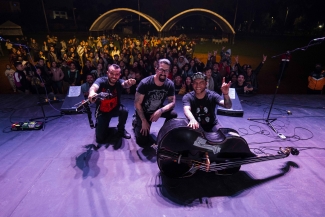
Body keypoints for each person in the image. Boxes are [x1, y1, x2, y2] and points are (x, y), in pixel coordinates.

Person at [134, 59, 177, 159]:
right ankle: (135, 122)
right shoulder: (145, 83)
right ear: (156, 69)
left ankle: (164, 134)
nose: (163, 73)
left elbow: (173, 103)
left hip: (156, 110)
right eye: (161, 69)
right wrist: (144, 120)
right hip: (144, 113)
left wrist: (160, 110)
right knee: (143, 142)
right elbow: (137, 103)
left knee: (173, 114)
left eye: (166, 71)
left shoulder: (169, 84)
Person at [88, 64, 136, 146]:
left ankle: (121, 130)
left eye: (117, 74)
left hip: (114, 109)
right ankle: (102, 126)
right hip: (102, 111)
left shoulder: (119, 82)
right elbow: (93, 87)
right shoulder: (101, 80)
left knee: (124, 111)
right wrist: (92, 93)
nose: (114, 76)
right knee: (100, 139)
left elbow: (125, 84)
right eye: (111, 73)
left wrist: (129, 83)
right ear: (107, 73)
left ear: (119, 75)